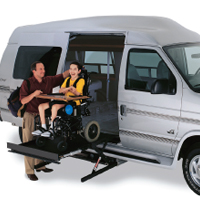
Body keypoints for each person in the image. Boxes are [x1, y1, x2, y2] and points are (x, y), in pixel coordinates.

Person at [19, 61, 70, 181]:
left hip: (42, 116)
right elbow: (23, 101)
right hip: (30, 116)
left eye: (44, 69)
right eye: (40, 69)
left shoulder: (48, 80)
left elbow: (63, 75)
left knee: (41, 141)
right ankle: (29, 171)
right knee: (29, 143)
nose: (43, 71)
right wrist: (34, 94)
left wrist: (76, 68)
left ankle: (40, 165)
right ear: (34, 71)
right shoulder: (27, 83)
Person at [33, 61, 85, 137]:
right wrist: (68, 88)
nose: (72, 71)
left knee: (54, 107)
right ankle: (43, 127)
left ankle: (52, 128)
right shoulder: (67, 80)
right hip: (63, 100)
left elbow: (78, 93)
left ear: (79, 71)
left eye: (74, 69)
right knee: (41, 106)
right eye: (70, 69)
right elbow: (61, 90)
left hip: (73, 102)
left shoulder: (81, 81)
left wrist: (73, 90)